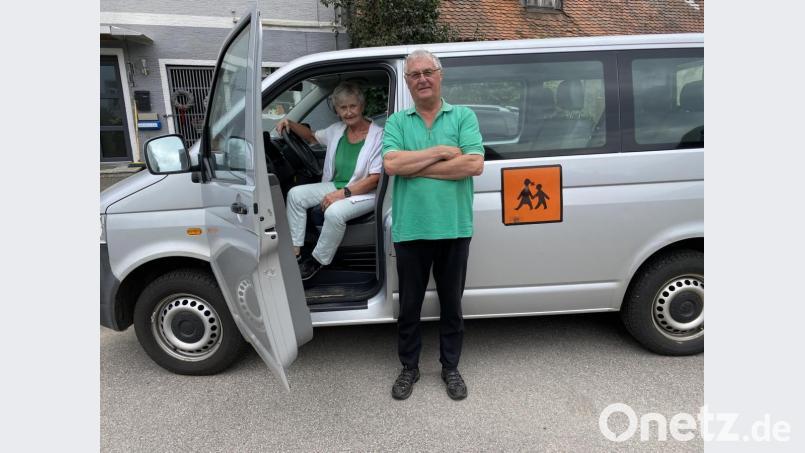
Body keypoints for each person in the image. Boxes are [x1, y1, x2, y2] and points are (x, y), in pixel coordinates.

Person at [382, 49, 484, 400]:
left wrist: (418, 166)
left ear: (440, 76)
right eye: (415, 74)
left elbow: (472, 165)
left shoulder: (463, 116)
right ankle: (409, 367)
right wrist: (442, 151)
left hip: (454, 228)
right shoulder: (398, 122)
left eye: (429, 72)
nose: (422, 79)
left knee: (451, 304)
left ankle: (450, 367)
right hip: (411, 230)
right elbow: (392, 164)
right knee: (408, 306)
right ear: (408, 82)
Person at [277, 81, 383, 280]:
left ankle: (317, 261)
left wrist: (341, 194)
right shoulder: (337, 130)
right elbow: (311, 137)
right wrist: (289, 123)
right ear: (337, 110)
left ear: (362, 106)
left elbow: (374, 180)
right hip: (338, 185)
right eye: (343, 107)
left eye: (353, 106)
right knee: (295, 195)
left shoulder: (378, 136)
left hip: (365, 193)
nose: (349, 112)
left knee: (334, 212)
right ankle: (295, 252)